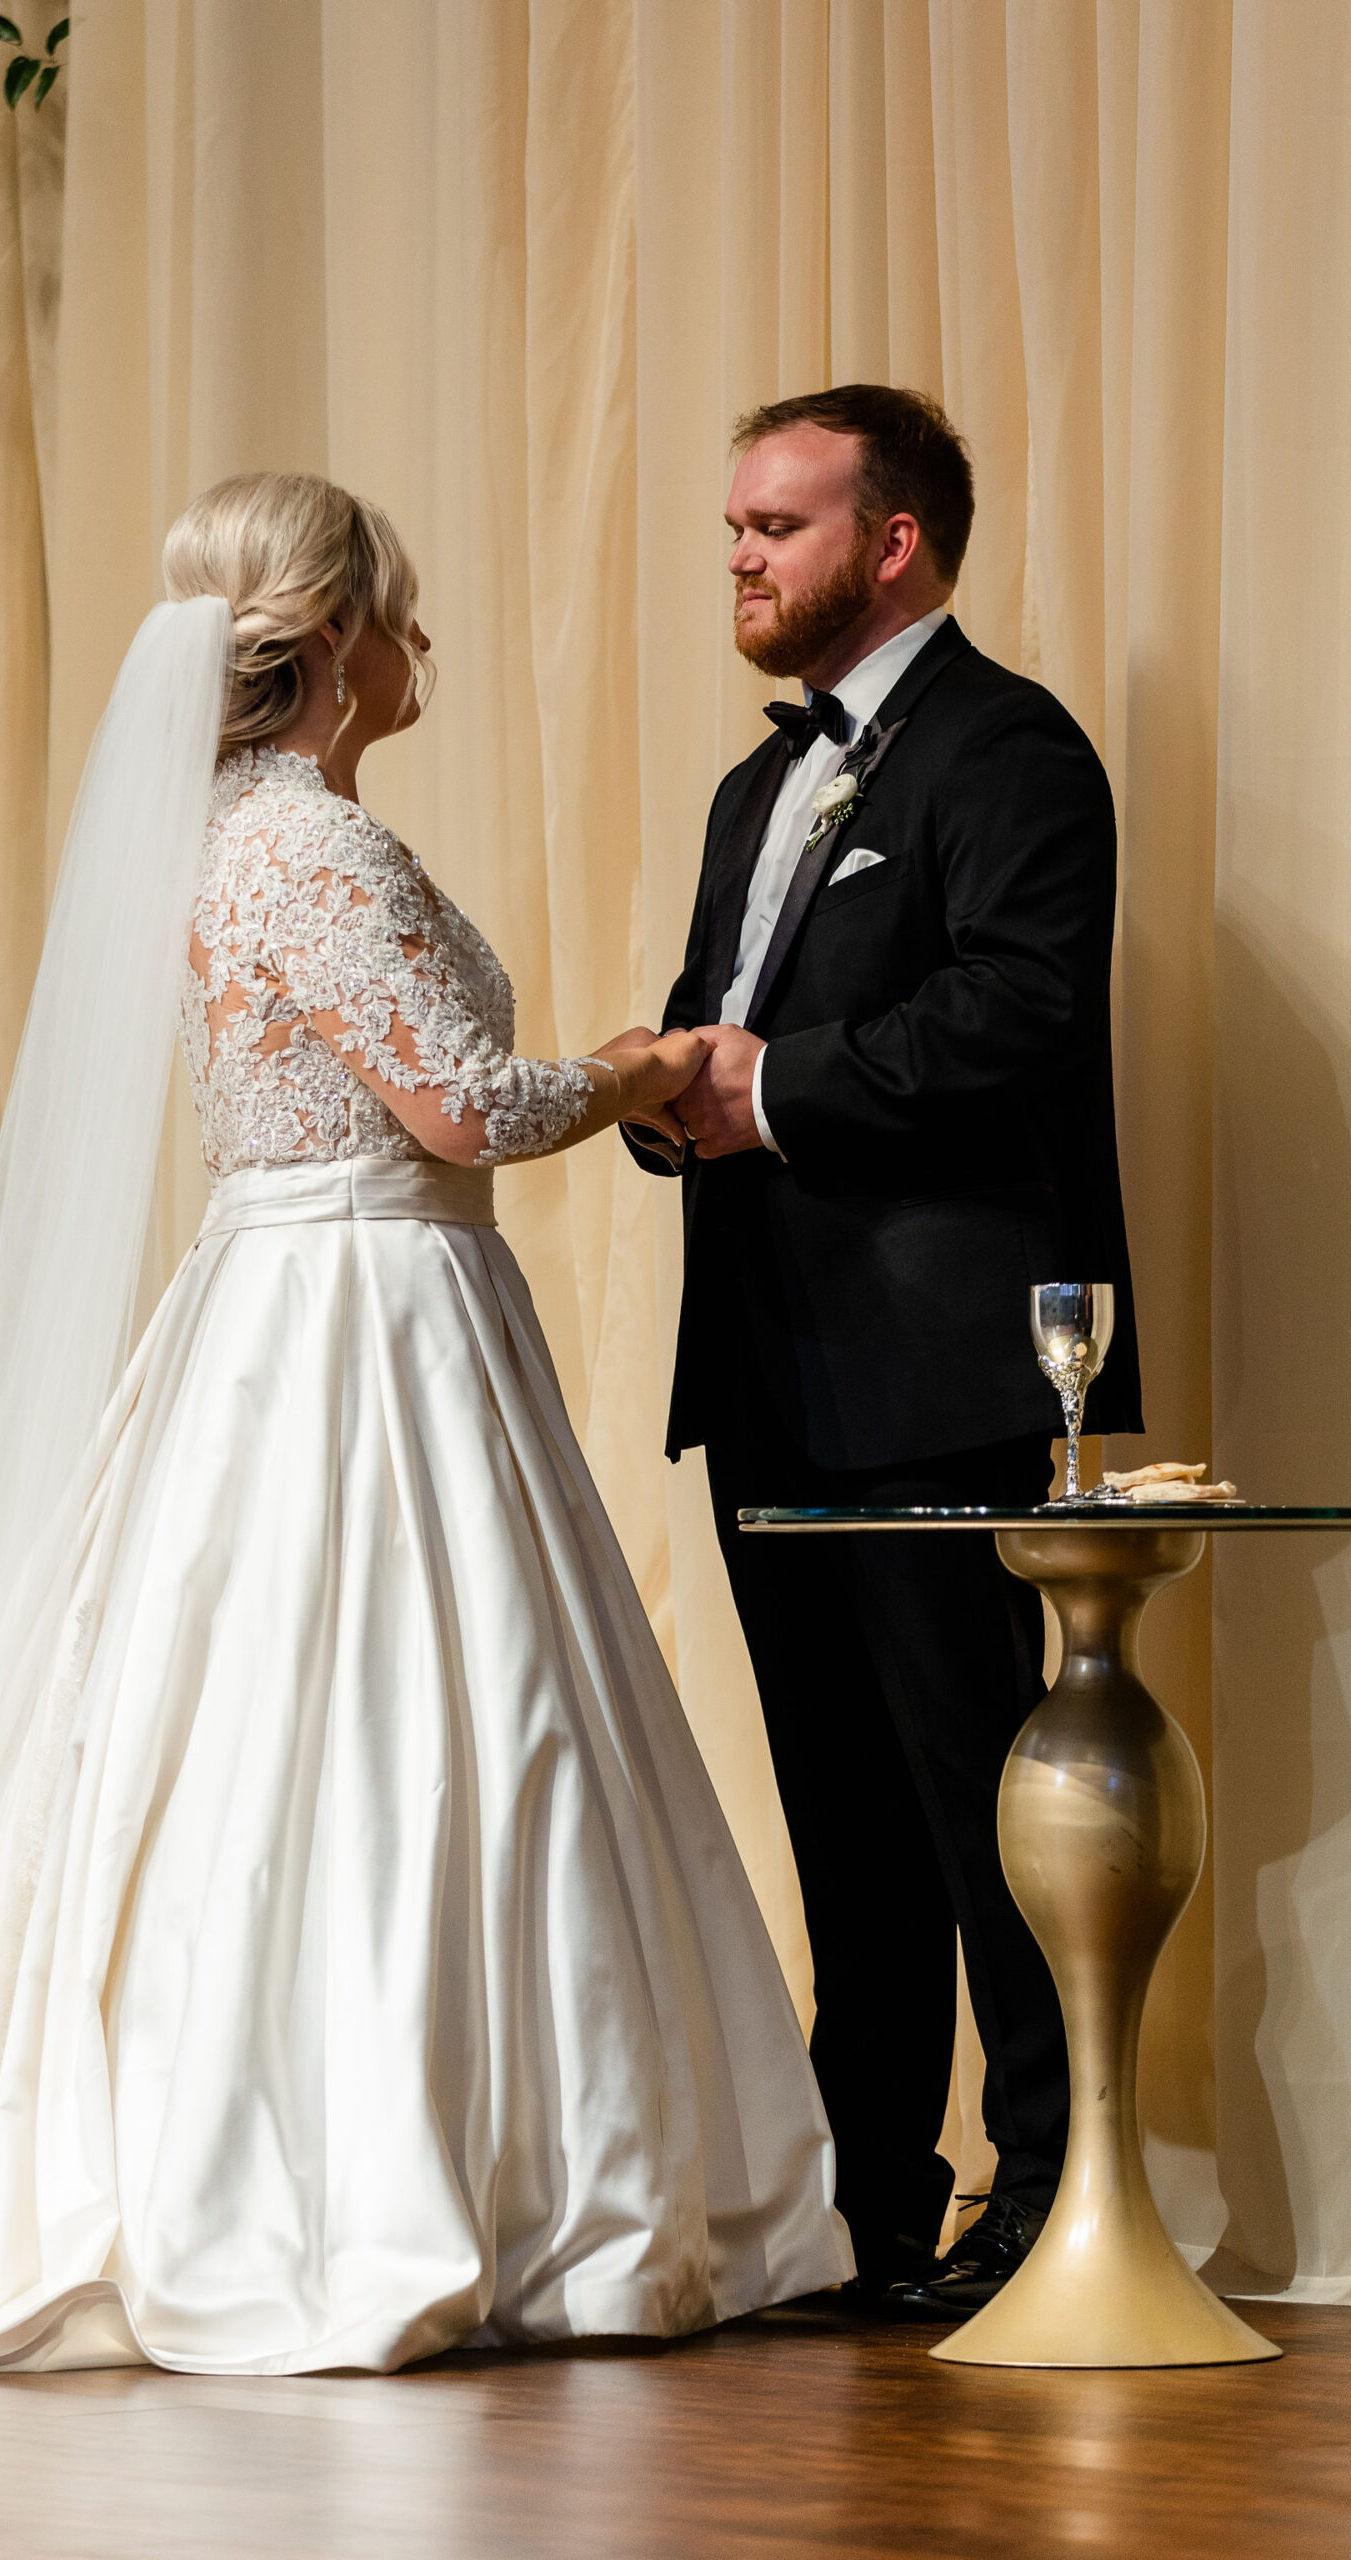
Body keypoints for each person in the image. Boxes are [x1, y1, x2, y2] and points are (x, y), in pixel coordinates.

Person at [0, 472, 851, 2374]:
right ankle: (394, 2182)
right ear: (339, 641)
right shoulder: (309, 853)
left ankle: (426, 2154)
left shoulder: (247, 839)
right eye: (406, 611)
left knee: (337, 1727)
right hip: (357, 1318)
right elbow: (465, 1109)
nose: (425, 642)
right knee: (395, 1728)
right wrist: (645, 1062)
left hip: (322, 1299)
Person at [623, 386, 1142, 2317]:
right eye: (735, 528)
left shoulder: (1010, 752)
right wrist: (661, 1081)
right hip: (770, 1374)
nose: (742, 557)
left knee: (974, 1794)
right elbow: (716, 1018)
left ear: (893, 540)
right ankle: (868, 2203)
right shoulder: (758, 792)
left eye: (776, 525)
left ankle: (1045, 2195)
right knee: (840, 1815)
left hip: (945, 1377)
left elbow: (1017, 1017)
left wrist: (775, 1089)